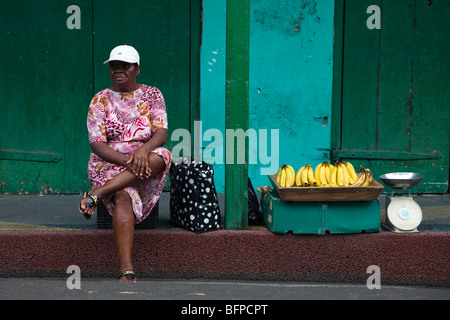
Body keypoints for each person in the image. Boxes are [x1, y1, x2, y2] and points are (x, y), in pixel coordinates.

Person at [79, 45, 172, 282]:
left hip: (145, 159)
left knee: (163, 155)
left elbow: (160, 134)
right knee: (123, 196)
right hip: (109, 162)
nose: (118, 70)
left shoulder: (152, 94)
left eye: (124, 66)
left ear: (137, 69)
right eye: (114, 66)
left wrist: (142, 150)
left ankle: (99, 193)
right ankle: (126, 270)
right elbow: (98, 145)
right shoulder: (100, 99)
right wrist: (127, 161)